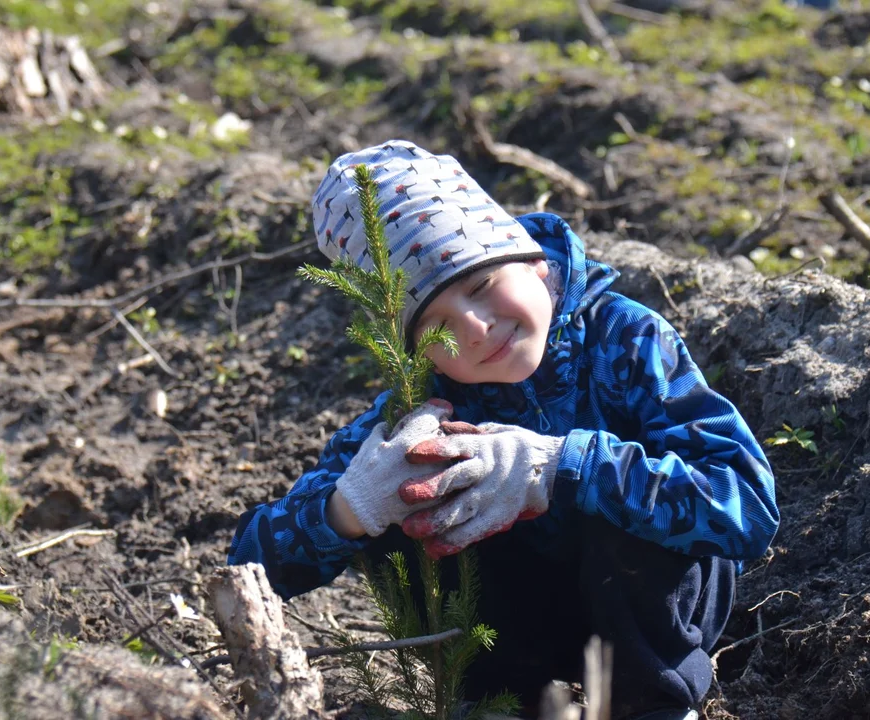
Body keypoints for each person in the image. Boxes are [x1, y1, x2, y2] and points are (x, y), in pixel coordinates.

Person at [228, 140, 779, 720]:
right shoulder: (420, 407)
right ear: (415, 352)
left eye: (481, 286)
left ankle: (651, 706)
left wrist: (564, 465)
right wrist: (349, 508)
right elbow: (250, 566)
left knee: (613, 504)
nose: (475, 326)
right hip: (520, 635)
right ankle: (499, 701)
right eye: (436, 325)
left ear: (535, 262)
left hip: (651, 616)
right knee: (399, 493)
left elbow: (746, 506)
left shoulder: (625, 342)